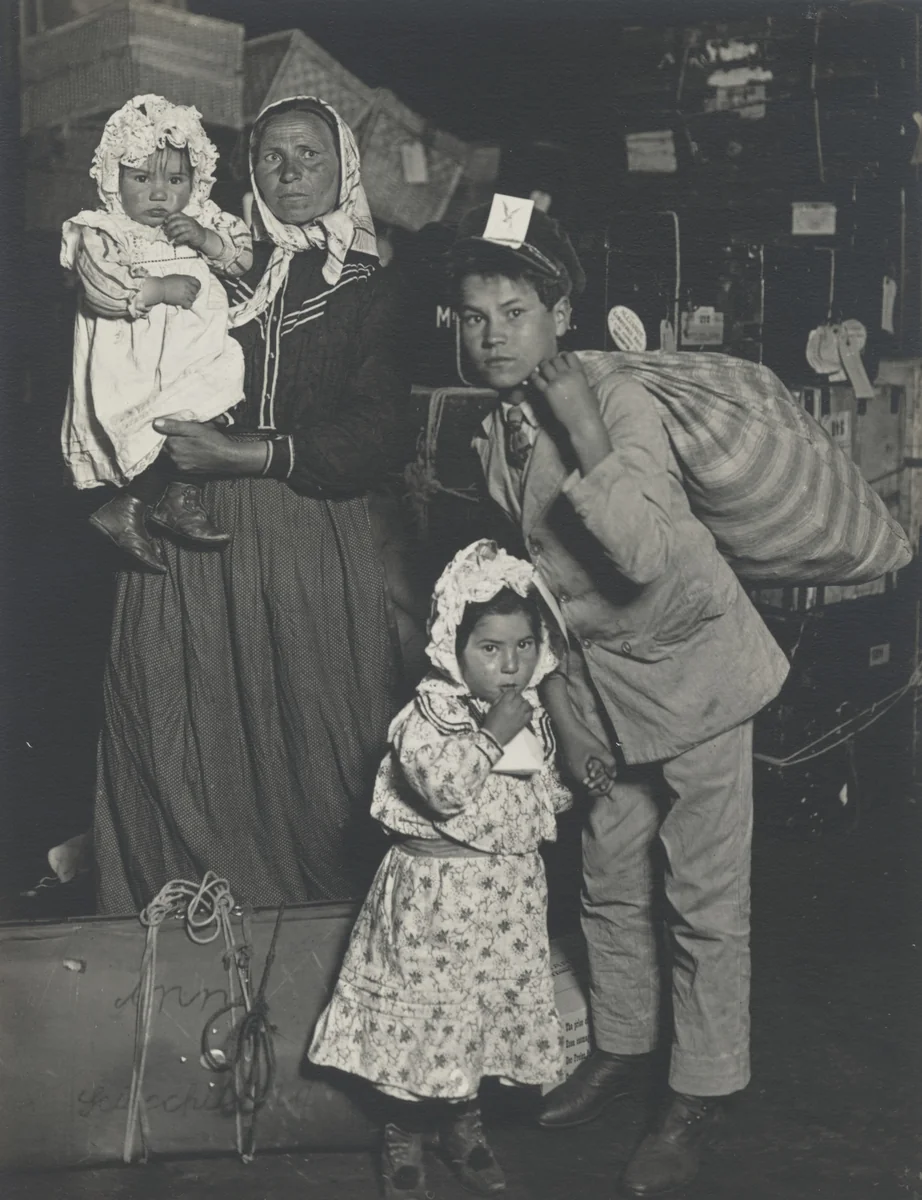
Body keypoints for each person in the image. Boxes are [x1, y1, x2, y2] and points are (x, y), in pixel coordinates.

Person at [447, 199, 790, 1195]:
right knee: (605, 878)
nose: (493, 336)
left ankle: (700, 1093)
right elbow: (538, 591)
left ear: (560, 310)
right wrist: (561, 714)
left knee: (702, 897)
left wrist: (583, 423)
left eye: (514, 311)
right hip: (599, 690)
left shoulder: (620, 399)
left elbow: (638, 549)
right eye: (474, 318)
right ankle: (624, 1048)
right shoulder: (489, 433)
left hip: (694, 674)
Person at [92, 95, 411, 914]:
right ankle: (183, 931)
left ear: (345, 167)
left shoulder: (371, 288)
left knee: (316, 740)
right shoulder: (213, 264)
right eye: (272, 157)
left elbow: (380, 432)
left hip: (302, 528)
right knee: (176, 725)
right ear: (249, 173)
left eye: (310, 154)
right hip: (184, 532)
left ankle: (318, 941)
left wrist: (250, 452)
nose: (291, 172)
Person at [309, 539, 575, 1199]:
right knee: (428, 1021)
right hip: (434, 901)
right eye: (490, 648)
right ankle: (403, 1130)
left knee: (477, 1020)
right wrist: (492, 735)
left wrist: (566, 780)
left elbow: (533, 796)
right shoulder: (427, 718)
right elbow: (443, 789)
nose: (510, 665)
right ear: (453, 650)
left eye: (522, 646)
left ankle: (465, 1125)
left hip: (501, 902)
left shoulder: (529, 711)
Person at [61, 94, 254, 572]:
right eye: (141, 178)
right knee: (158, 426)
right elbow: (101, 288)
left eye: (175, 179)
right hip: (135, 357)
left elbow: (245, 258)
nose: (159, 194)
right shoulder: (104, 230)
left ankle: (169, 498)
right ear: (114, 177)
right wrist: (158, 288)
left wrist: (206, 240)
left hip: (196, 350)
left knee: (212, 405)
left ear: (197, 181)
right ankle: (132, 503)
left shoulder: (202, 220)